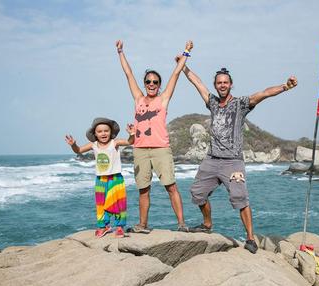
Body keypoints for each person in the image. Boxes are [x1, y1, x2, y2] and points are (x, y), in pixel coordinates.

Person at [178, 62, 298, 254]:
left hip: (233, 161)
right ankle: (207, 224)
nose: (222, 85)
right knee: (197, 193)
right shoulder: (213, 102)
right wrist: (183, 65)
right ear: (216, 85)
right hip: (211, 159)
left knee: (239, 197)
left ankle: (250, 238)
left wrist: (285, 86)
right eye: (219, 83)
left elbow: (264, 93)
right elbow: (197, 82)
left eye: (225, 82)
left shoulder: (241, 104)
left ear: (231, 84)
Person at [116, 39, 193, 233]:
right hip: (140, 149)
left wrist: (186, 51)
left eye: (155, 82)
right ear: (145, 84)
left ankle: (182, 224)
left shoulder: (163, 99)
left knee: (171, 186)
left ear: (159, 85)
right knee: (143, 190)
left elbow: (176, 73)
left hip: (161, 149)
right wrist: (120, 52)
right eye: (148, 81)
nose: (151, 84)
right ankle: (142, 225)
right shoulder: (138, 98)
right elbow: (128, 73)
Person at [65, 118, 135, 238]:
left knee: (119, 203)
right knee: (101, 204)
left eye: (106, 131)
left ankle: (119, 227)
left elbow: (130, 142)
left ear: (110, 132)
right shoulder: (93, 145)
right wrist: (73, 145)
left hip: (116, 178)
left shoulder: (115, 143)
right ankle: (104, 226)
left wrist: (132, 134)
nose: (103, 133)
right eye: (100, 131)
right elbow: (79, 150)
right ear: (95, 134)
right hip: (101, 179)